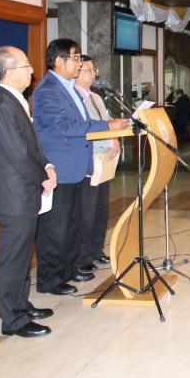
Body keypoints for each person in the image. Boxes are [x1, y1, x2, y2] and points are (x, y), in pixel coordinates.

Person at [32, 39, 128, 297]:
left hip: (77, 167)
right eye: (75, 58)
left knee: (72, 225)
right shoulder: (48, 90)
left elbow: (82, 122)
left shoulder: (69, 89)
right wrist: (107, 126)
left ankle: (69, 269)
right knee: (55, 227)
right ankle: (50, 279)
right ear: (59, 61)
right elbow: (67, 127)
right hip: (59, 169)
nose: (78, 63)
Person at [0, 46, 57, 338]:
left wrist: (47, 165)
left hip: (23, 193)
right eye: (27, 66)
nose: (32, 71)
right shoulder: (2, 105)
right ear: (11, 72)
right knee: (12, 259)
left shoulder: (16, 100)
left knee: (23, 255)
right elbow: (17, 155)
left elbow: (32, 147)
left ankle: (21, 305)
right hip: (13, 197)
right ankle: (13, 320)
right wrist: (43, 178)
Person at [75, 56, 120, 272]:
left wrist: (115, 140)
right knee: (87, 211)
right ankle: (83, 257)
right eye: (88, 70)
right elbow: (87, 129)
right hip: (89, 159)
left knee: (101, 208)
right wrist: (107, 142)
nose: (93, 74)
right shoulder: (74, 98)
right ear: (76, 72)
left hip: (105, 160)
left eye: (94, 70)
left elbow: (107, 122)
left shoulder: (96, 98)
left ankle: (96, 249)